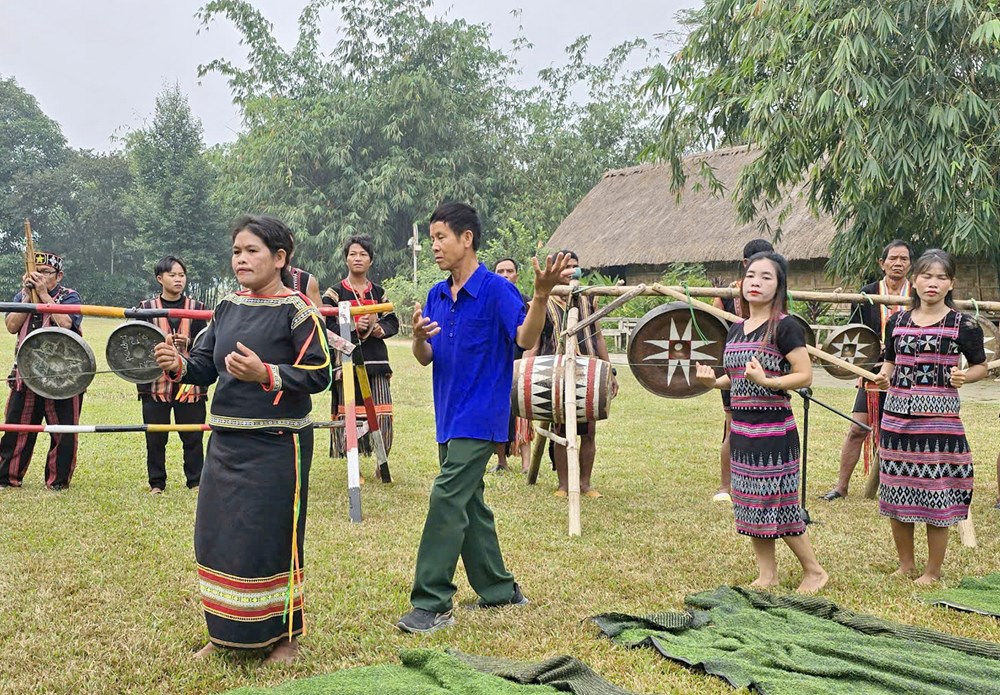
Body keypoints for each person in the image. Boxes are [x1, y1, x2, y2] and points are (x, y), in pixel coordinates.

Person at [154, 215, 331, 663]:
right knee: (220, 538)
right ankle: (224, 635)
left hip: (277, 446)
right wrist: (178, 364)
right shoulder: (227, 307)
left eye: (252, 251)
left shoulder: (298, 311)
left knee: (271, 539)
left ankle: (285, 638)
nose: (241, 259)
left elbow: (320, 373)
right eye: (236, 251)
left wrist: (267, 374)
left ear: (279, 258)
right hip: (225, 444)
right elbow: (203, 366)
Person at [396, 202, 569, 634]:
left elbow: (525, 337)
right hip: (448, 413)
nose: (434, 246)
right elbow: (424, 357)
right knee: (468, 502)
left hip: (483, 414)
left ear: (466, 238)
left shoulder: (496, 290)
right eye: (432, 238)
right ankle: (499, 589)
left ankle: (431, 601)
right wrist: (417, 339)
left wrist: (542, 295)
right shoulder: (437, 294)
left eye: (440, 237)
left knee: (446, 497)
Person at [696, 251, 827, 593]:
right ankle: (767, 574)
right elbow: (737, 377)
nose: (756, 282)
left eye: (766, 277)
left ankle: (814, 571)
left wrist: (768, 382)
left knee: (777, 502)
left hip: (774, 430)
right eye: (751, 276)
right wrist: (714, 381)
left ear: (779, 285)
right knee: (750, 502)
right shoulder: (737, 329)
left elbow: (804, 374)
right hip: (741, 429)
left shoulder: (785, 326)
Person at [872, 249, 985, 585]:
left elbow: (979, 365)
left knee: (938, 491)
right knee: (895, 489)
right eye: (926, 276)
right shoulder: (897, 321)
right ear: (914, 280)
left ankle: (932, 571)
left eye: (940, 277)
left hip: (939, 423)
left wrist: (967, 376)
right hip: (896, 419)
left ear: (950, 282)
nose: (932, 283)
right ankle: (906, 564)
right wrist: (883, 375)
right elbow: (889, 361)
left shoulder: (963, 324)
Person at [820, 240, 913, 501]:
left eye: (903, 259)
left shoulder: (917, 294)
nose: (898, 263)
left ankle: (902, 487)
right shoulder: (866, 294)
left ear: (910, 264)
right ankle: (841, 487)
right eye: (892, 258)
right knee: (857, 428)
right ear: (881, 263)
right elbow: (855, 336)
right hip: (872, 373)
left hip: (908, 373)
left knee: (906, 431)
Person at [537, 250, 618, 497]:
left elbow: (598, 336)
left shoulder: (587, 298)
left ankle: (585, 484)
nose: (572, 271)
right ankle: (564, 485)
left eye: (575, 266)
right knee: (561, 429)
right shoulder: (545, 300)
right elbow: (535, 341)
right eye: (566, 266)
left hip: (588, 373)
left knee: (589, 431)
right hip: (557, 373)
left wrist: (610, 372)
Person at [0, 251, 83, 490]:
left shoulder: (69, 296)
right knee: (17, 427)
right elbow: (11, 325)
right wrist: (28, 297)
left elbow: (67, 323)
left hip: (63, 374)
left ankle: (57, 481)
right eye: (35, 272)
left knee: (63, 431)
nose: (39, 277)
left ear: (59, 275)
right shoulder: (22, 295)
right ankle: (7, 477)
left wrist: (45, 296)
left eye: (45, 273)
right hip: (25, 373)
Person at [324, 234, 399, 465]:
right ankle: (353, 467)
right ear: (346, 259)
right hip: (346, 363)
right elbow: (326, 326)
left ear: (371, 261)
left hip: (376, 363)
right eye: (353, 254)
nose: (358, 258)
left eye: (363, 254)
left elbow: (392, 321)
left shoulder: (378, 292)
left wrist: (378, 329)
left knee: (382, 413)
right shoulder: (334, 293)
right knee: (350, 415)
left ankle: (381, 463)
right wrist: (353, 326)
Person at [137, 256, 209, 494]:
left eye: (181, 275)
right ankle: (156, 483)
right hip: (155, 384)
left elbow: (208, 345)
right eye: (172, 275)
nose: (179, 279)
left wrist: (188, 341)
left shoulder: (199, 309)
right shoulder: (145, 309)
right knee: (156, 437)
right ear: (160, 279)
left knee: (193, 436)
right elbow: (135, 345)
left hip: (191, 384)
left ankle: (195, 481)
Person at [711, 238, 774, 503]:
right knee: (732, 427)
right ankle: (727, 486)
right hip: (736, 370)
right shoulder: (726, 295)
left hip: (768, 370)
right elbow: (713, 329)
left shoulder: (777, 293)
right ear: (745, 264)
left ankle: (762, 479)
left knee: (767, 427)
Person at [490, 257, 533, 473]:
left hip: (521, 363)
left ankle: (527, 464)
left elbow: (536, 335)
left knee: (523, 413)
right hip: (495, 366)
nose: (506, 275)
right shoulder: (489, 302)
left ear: (517, 275)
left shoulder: (527, 303)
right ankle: (501, 462)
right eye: (500, 271)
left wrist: (527, 363)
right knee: (499, 412)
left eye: (510, 271)